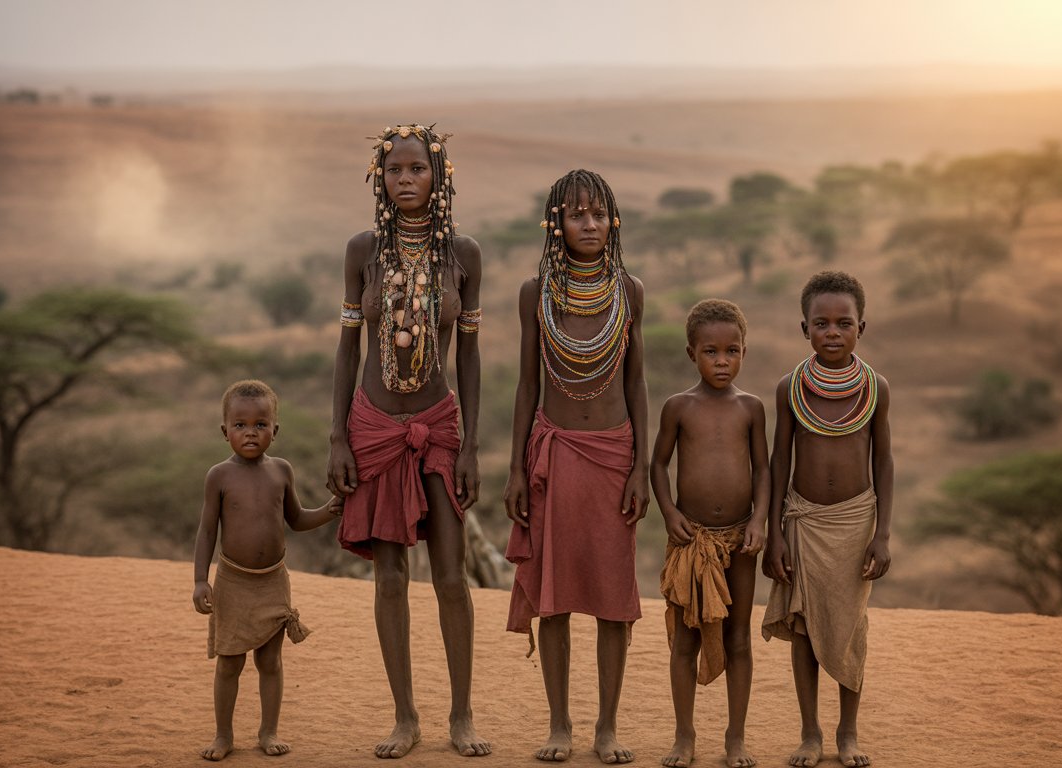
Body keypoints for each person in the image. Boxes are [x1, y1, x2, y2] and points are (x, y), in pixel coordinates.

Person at [326, 124, 490, 758]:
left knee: (451, 578)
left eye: (417, 169)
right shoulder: (362, 250)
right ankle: (404, 717)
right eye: (394, 170)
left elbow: (470, 358)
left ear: (437, 175)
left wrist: (472, 444)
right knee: (390, 577)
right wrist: (338, 435)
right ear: (380, 179)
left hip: (439, 428)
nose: (405, 180)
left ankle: (462, 716)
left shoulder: (464, 255)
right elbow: (347, 349)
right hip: (372, 425)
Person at [504, 169, 650, 765]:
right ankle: (559, 725)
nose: (588, 224)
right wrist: (516, 469)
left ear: (612, 220)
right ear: (555, 223)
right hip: (555, 457)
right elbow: (526, 384)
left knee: (614, 598)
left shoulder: (629, 291)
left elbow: (636, 381)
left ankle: (607, 727)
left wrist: (640, 465)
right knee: (555, 596)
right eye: (575, 214)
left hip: (614, 458)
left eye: (597, 214)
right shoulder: (534, 293)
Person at [761, 271, 894, 768]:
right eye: (821, 323)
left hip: (857, 522)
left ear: (863, 327)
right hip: (803, 520)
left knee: (849, 627)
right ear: (804, 329)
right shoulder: (789, 388)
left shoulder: (875, 387)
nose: (832, 332)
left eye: (844, 322)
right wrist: (773, 534)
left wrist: (882, 533)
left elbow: (884, 461)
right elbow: (779, 463)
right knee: (803, 626)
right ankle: (810, 733)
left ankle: (848, 733)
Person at [192, 379, 342, 761]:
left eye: (260, 424)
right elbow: (208, 530)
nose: (250, 433)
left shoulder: (281, 472)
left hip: (273, 581)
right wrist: (199, 581)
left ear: (275, 430)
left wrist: (330, 509)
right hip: (232, 581)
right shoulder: (218, 476)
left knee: (270, 661)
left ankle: (268, 731)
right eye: (240, 425)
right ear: (224, 430)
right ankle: (223, 735)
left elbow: (297, 518)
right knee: (229, 663)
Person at [650, 299, 769, 768]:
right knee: (685, 639)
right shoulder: (678, 407)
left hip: (740, 540)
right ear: (691, 354)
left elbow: (763, 469)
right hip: (690, 540)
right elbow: (658, 464)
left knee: (738, 639)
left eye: (732, 351)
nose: (722, 361)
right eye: (711, 352)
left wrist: (758, 521)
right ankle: (684, 736)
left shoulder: (751, 408)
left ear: (744, 352)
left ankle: (735, 738)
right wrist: (668, 512)